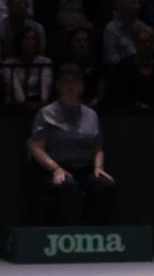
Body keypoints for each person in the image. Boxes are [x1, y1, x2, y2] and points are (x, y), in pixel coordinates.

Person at [27, 65, 117, 225]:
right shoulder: (46, 113)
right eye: (66, 82)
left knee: (106, 186)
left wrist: (98, 167)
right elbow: (36, 148)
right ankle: (71, 236)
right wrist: (55, 169)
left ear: (81, 86)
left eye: (74, 82)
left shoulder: (91, 115)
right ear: (58, 86)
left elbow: (98, 148)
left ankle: (99, 235)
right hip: (53, 169)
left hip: (84, 169)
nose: (70, 86)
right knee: (67, 185)